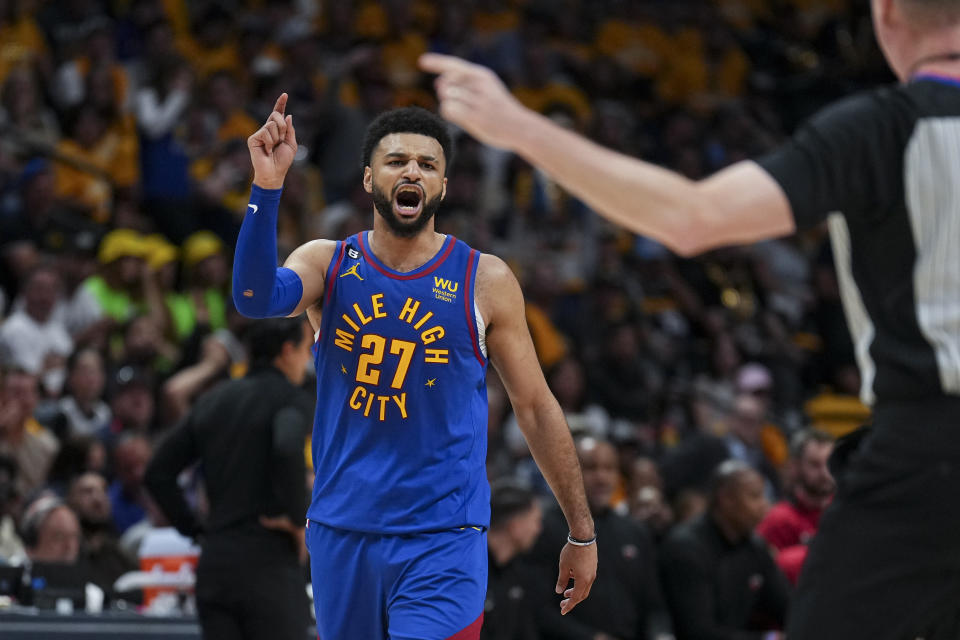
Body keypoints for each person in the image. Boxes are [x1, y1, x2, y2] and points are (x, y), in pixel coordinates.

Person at [421, 2, 960, 635]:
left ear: (886, 15)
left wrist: (517, 127)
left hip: (929, 448)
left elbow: (690, 217)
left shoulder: (879, 130)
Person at [233, 95, 596, 640]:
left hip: (443, 537)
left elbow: (536, 407)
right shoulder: (327, 263)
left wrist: (582, 532)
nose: (412, 172)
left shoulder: (484, 279)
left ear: (443, 187)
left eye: (428, 165)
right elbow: (255, 296)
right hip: (341, 529)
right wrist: (266, 186)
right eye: (396, 160)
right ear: (367, 179)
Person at [144, 316, 314, 640]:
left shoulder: (214, 399)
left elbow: (157, 473)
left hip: (215, 565)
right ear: (287, 350)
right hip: (268, 566)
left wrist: (195, 528)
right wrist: (296, 519)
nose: (308, 359)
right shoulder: (292, 397)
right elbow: (287, 444)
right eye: (306, 348)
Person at [531, 438, 673, 640]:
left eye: (609, 469)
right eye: (591, 468)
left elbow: (654, 607)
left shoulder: (635, 532)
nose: (601, 478)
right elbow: (537, 609)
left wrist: (662, 635)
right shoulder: (545, 528)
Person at [659, 461, 789, 640]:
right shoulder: (686, 547)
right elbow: (698, 633)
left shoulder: (755, 548)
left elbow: (789, 608)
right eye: (755, 496)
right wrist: (767, 639)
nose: (765, 505)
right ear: (726, 499)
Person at [757, 429, 835, 585]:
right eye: (815, 464)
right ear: (795, 466)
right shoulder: (778, 519)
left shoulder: (847, 512)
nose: (825, 473)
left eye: (829, 463)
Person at [482, 481, 543, 640]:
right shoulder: (470, 570)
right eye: (535, 521)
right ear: (515, 526)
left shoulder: (518, 575)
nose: (538, 530)